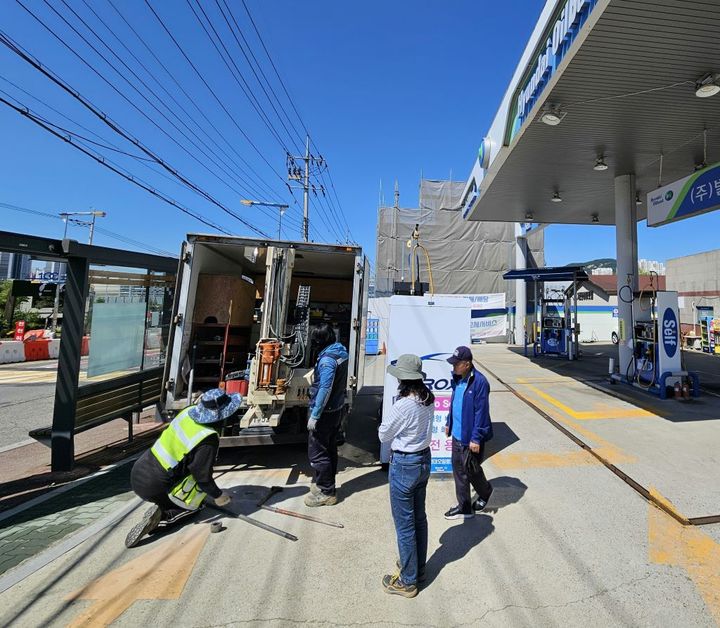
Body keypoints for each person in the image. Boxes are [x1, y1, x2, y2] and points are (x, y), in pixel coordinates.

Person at [125, 388, 242, 548]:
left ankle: (165, 503)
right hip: (155, 485)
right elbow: (203, 477)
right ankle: (164, 518)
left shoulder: (187, 412)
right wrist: (218, 495)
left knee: (183, 475)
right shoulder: (208, 438)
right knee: (196, 506)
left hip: (139, 471)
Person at [379, 354, 434, 598]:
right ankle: (417, 568)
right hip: (423, 459)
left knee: (405, 524)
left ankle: (408, 580)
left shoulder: (404, 405)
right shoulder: (427, 397)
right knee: (419, 518)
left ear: (403, 378)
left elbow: (384, 434)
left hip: (404, 463)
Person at [444, 346, 494, 520]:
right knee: (459, 471)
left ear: (466, 364)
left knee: (471, 470)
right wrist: (448, 422)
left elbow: (481, 412)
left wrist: (476, 437)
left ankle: (485, 492)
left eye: (456, 364)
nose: (453, 367)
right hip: (457, 434)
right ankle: (464, 507)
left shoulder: (479, 382)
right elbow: (455, 402)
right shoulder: (457, 379)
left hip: (470, 437)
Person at [305, 322, 349, 507]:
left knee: (318, 452)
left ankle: (327, 492)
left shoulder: (327, 360)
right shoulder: (340, 351)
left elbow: (325, 387)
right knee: (329, 448)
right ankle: (325, 483)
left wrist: (315, 415)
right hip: (337, 408)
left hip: (325, 412)